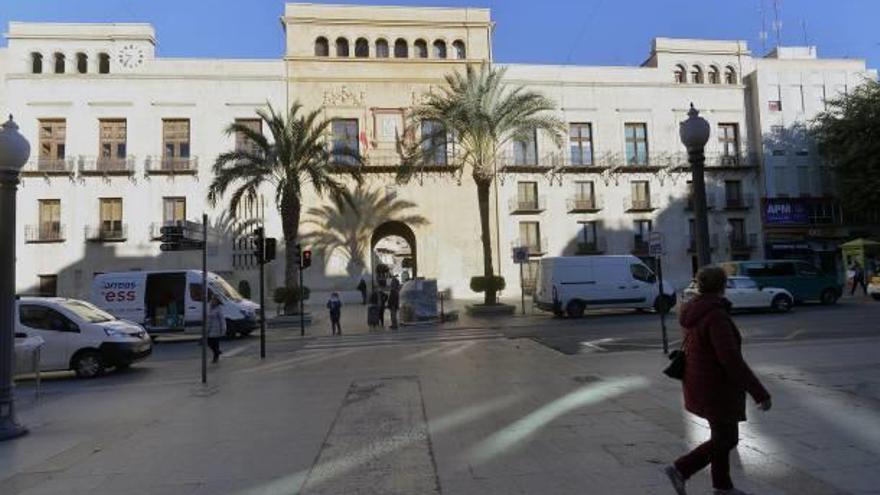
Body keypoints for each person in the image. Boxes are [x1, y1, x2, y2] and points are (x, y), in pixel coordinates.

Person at [665, 266, 771, 495]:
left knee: (720, 436)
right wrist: (759, 393)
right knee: (728, 437)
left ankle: (722, 487)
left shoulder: (693, 309)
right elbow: (730, 359)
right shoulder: (715, 315)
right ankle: (680, 468)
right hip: (717, 387)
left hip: (699, 382)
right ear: (723, 286)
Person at [206, 295, 226, 364]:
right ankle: (217, 351)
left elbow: (222, 320)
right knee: (209, 342)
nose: (213, 301)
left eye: (214, 300)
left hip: (216, 329)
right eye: (212, 300)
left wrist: (223, 329)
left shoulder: (219, 309)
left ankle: (215, 357)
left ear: (217, 302)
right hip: (209, 328)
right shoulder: (210, 308)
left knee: (215, 343)